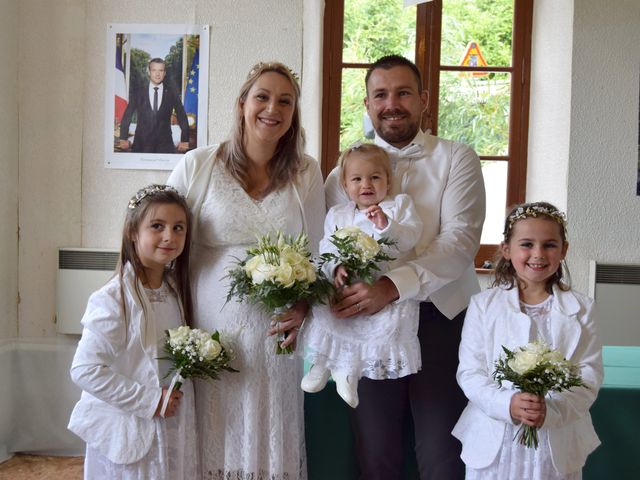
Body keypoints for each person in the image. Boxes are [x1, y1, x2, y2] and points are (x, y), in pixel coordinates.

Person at [324, 54, 486, 479]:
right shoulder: (343, 171)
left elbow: (460, 242)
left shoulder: (457, 158)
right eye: (380, 94)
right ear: (367, 104)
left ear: (423, 100)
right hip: (369, 324)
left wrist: (391, 286)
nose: (391, 103)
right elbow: (330, 241)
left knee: (442, 452)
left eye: (402, 93)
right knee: (375, 451)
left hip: (442, 317)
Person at [167, 61, 325, 479]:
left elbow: (320, 249)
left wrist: (306, 305)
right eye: (263, 96)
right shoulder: (198, 165)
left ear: (293, 114)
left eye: (285, 101)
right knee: (216, 427)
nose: (272, 108)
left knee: (269, 428)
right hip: (210, 328)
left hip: (276, 334)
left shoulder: (305, 171)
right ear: (241, 104)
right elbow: (161, 240)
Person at [452, 202, 603, 479]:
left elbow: (588, 377)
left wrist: (552, 409)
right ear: (507, 249)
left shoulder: (582, 309)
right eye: (526, 244)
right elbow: (470, 372)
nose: (538, 254)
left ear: (564, 250)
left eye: (549, 245)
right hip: (495, 442)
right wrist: (507, 403)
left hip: (554, 443)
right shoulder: (483, 306)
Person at [68, 184, 197, 479]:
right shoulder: (112, 299)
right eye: (157, 226)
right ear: (133, 232)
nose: (169, 236)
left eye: (179, 227)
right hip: (130, 428)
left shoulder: (176, 291)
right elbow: (85, 370)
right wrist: (149, 400)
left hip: (170, 427)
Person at [300, 142, 423, 409]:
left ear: (388, 181)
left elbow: (410, 237)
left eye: (375, 177)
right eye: (357, 179)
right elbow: (327, 246)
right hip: (344, 285)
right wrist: (335, 267)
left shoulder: (398, 207)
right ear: (345, 185)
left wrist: (385, 226)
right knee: (325, 308)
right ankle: (321, 364)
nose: (366, 184)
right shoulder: (338, 214)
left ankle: (348, 373)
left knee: (378, 327)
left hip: (380, 288)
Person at [119, 58, 190, 154]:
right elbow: (127, 115)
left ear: (164, 73)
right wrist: (123, 138)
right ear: (149, 72)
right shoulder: (138, 92)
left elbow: (182, 116)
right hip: (141, 145)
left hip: (165, 146)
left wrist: (184, 139)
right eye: (154, 70)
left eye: (160, 70)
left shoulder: (172, 93)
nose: (157, 74)